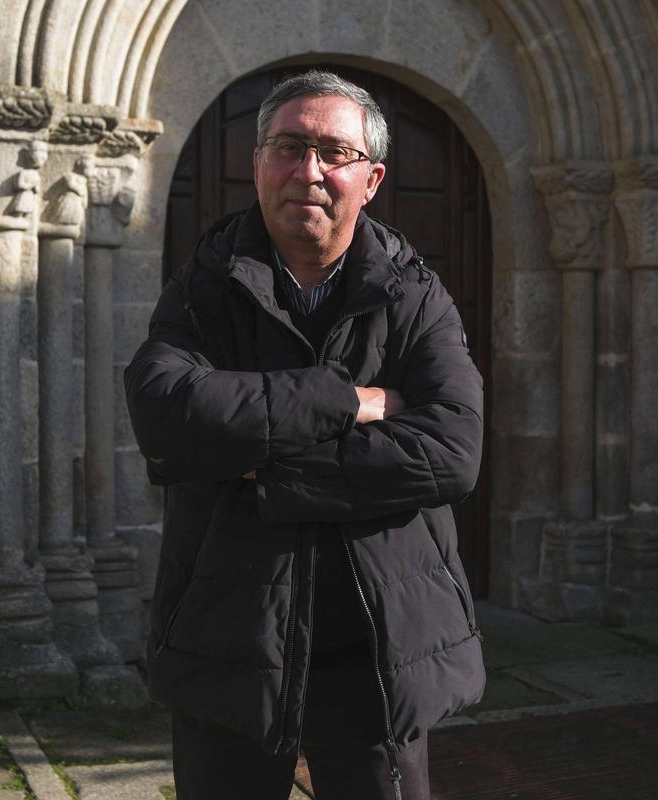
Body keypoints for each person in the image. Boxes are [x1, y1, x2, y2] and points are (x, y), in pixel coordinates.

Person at [125, 69, 485, 800]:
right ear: (258, 162)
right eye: (288, 146)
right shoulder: (207, 285)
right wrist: (345, 402)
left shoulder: (414, 295)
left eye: (334, 152)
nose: (308, 171)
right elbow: (166, 414)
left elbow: (451, 452)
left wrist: (269, 473)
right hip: (231, 637)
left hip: (377, 649)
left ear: (373, 177)